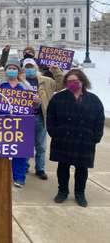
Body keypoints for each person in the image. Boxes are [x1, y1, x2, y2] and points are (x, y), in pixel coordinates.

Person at [47, 69, 105, 207]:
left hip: (84, 141)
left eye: (75, 81)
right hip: (63, 139)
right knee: (63, 167)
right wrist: (55, 132)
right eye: (69, 81)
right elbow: (50, 118)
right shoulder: (58, 98)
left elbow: (99, 120)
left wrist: (95, 137)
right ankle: (62, 191)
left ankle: (80, 194)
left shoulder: (94, 100)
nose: (72, 84)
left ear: (82, 81)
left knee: (82, 169)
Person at [0, 58, 36, 188]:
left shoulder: (25, 86)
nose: (12, 71)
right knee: (2, 151)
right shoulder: (0, 86)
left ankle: (19, 177)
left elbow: (31, 107)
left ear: (18, 71)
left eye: (14, 68)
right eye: (9, 68)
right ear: (6, 71)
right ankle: (2, 176)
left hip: (21, 124)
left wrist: (35, 101)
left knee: (20, 152)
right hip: (3, 123)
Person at [22, 58, 64, 180]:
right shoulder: (20, 81)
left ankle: (40, 168)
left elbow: (60, 85)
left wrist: (57, 71)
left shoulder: (46, 81)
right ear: (24, 69)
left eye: (32, 67)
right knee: (25, 144)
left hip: (40, 116)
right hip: (25, 117)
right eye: (27, 67)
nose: (30, 69)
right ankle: (24, 166)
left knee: (40, 145)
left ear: (36, 67)